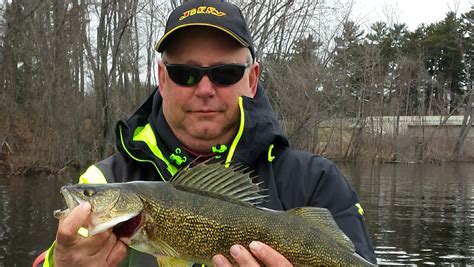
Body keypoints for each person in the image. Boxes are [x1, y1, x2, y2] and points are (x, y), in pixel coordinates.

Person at [35, 0, 377, 266]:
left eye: (225, 73)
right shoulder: (106, 176)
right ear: (162, 78)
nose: (204, 89)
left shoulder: (315, 182)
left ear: (253, 79)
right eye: (184, 73)